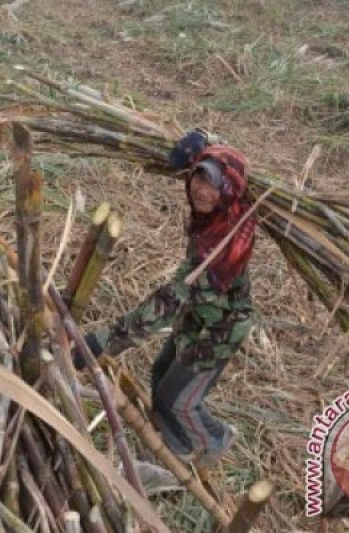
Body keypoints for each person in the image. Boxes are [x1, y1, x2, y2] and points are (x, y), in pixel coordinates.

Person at [75, 131, 256, 467]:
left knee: (180, 401)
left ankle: (209, 443)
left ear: (229, 189)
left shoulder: (224, 245)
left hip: (219, 331)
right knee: (161, 375)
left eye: (212, 184)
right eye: (197, 178)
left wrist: (100, 343)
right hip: (200, 315)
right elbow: (209, 151)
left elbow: (167, 303)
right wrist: (199, 141)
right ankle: (176, 444)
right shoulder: (218, 213)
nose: (201, 190)